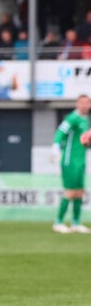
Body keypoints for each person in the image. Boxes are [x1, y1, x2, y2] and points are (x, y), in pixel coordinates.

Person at [51, 94, 91, 233]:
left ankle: (76, 223)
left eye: (87, 103)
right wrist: (56, 147)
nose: (85, 105)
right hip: (70, 160)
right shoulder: (72, 118)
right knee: (70, 191)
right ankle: (58, 222)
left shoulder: (86, 120)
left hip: (81, 160)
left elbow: (83, 140)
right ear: (77, 104)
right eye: (82, 102)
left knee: (79, 192)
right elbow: (61, 131)